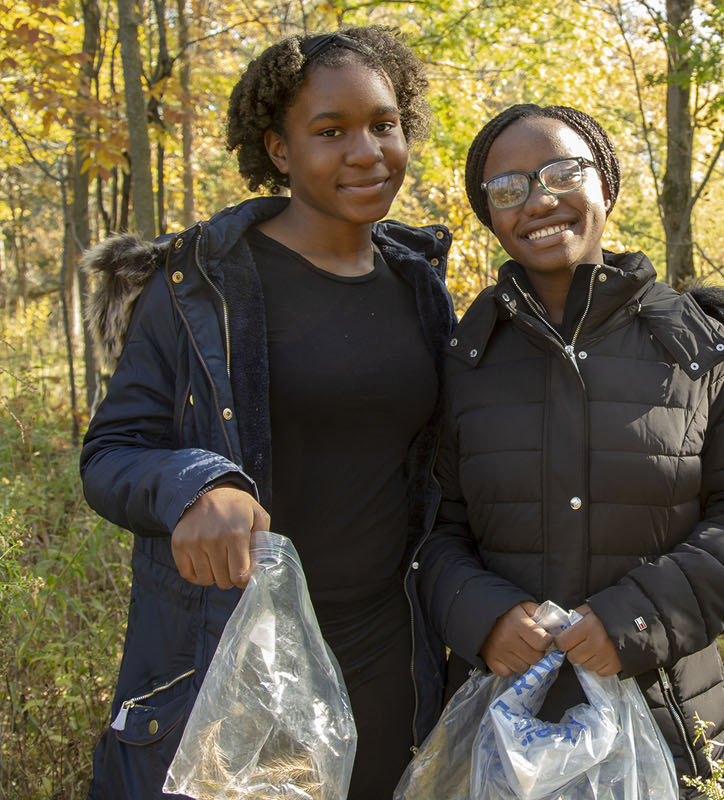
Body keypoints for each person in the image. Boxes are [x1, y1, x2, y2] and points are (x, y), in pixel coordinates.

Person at [80, 27, 452, 798]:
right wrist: (197, 484)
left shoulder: (421, 288)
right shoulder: (195, 289)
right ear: (278, 150)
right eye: (330, 131)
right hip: (233, 651)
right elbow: (111, 453)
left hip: (388, 653)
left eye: (384, 124)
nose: (366, 150)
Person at [417, 104, 724, 796]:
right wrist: (481, 616)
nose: (538, 199)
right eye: (507, 189)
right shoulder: (465, 359)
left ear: (608, 188)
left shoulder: (698, 346)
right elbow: (435, 531)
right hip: (504, 723)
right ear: (492, 219)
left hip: (664, 715)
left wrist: (636, 619)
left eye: (563, 172)